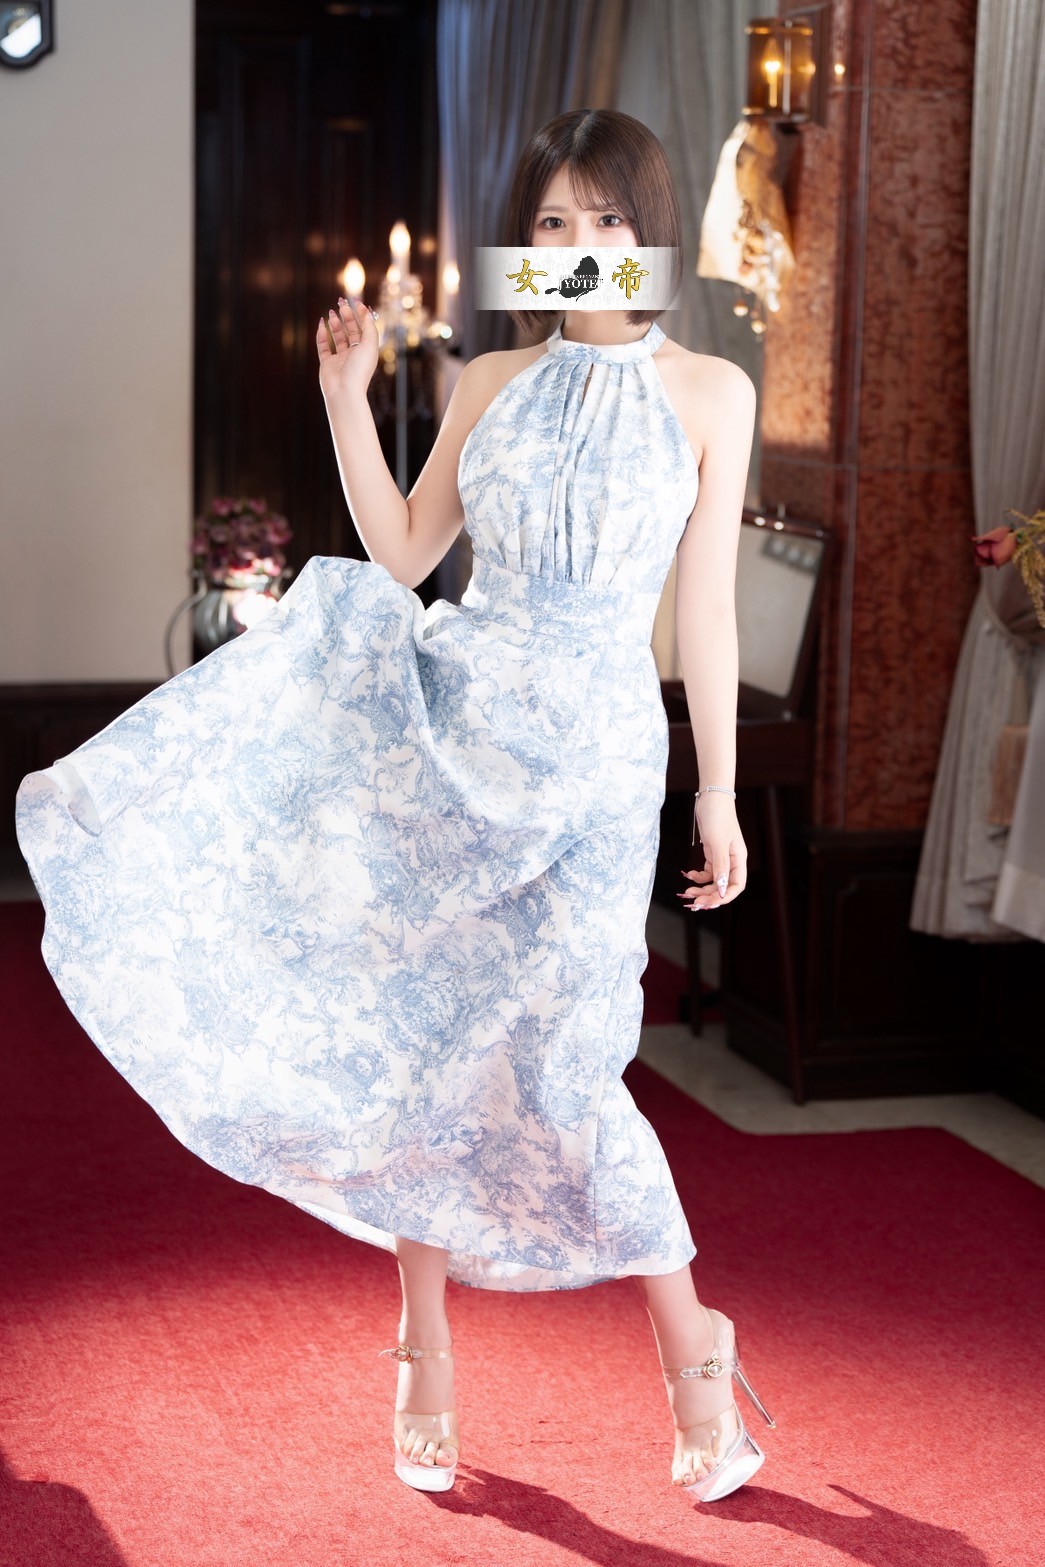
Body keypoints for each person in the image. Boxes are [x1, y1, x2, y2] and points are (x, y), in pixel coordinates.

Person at [15, 107, 773, 1505]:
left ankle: (696, 1352)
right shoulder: (489, 378)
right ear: (524, 243)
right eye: (551, 224)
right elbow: (406, 551)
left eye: (607, 222)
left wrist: (717, 794)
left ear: (649, 232)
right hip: (460, 733)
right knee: (425, 1040)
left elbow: (710, 616)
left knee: (568, 1065)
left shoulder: (712, 393)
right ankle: (423, 1347)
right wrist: (347, 397)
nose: (580, 246)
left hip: (598, 762)